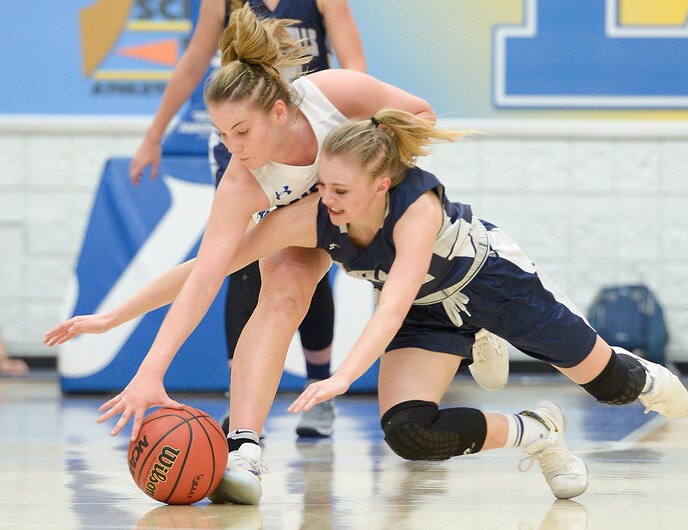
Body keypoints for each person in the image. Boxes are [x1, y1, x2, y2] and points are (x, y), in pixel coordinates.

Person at [44, 5, 508, 505]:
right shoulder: (242, 183)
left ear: (280, 112)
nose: (233, 147)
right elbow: (205, 275)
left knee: (415, 280)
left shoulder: (333, 95)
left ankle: (473, 321)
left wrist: (361, 177)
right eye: (222, 136)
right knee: (282, 292)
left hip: (379, 198)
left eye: (241, 132)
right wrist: (142, 355)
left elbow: (422, 114)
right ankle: (244, 445)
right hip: (310, 224)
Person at [128, 0, 367, 438]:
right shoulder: (220, 3)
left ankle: (319, 388)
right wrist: (153, 134)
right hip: (252, 142)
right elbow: (193, 61)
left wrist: (358, 142)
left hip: (305, 136)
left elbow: (355, 65)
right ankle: (241, 403)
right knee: (238, 265)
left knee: (306, 260)